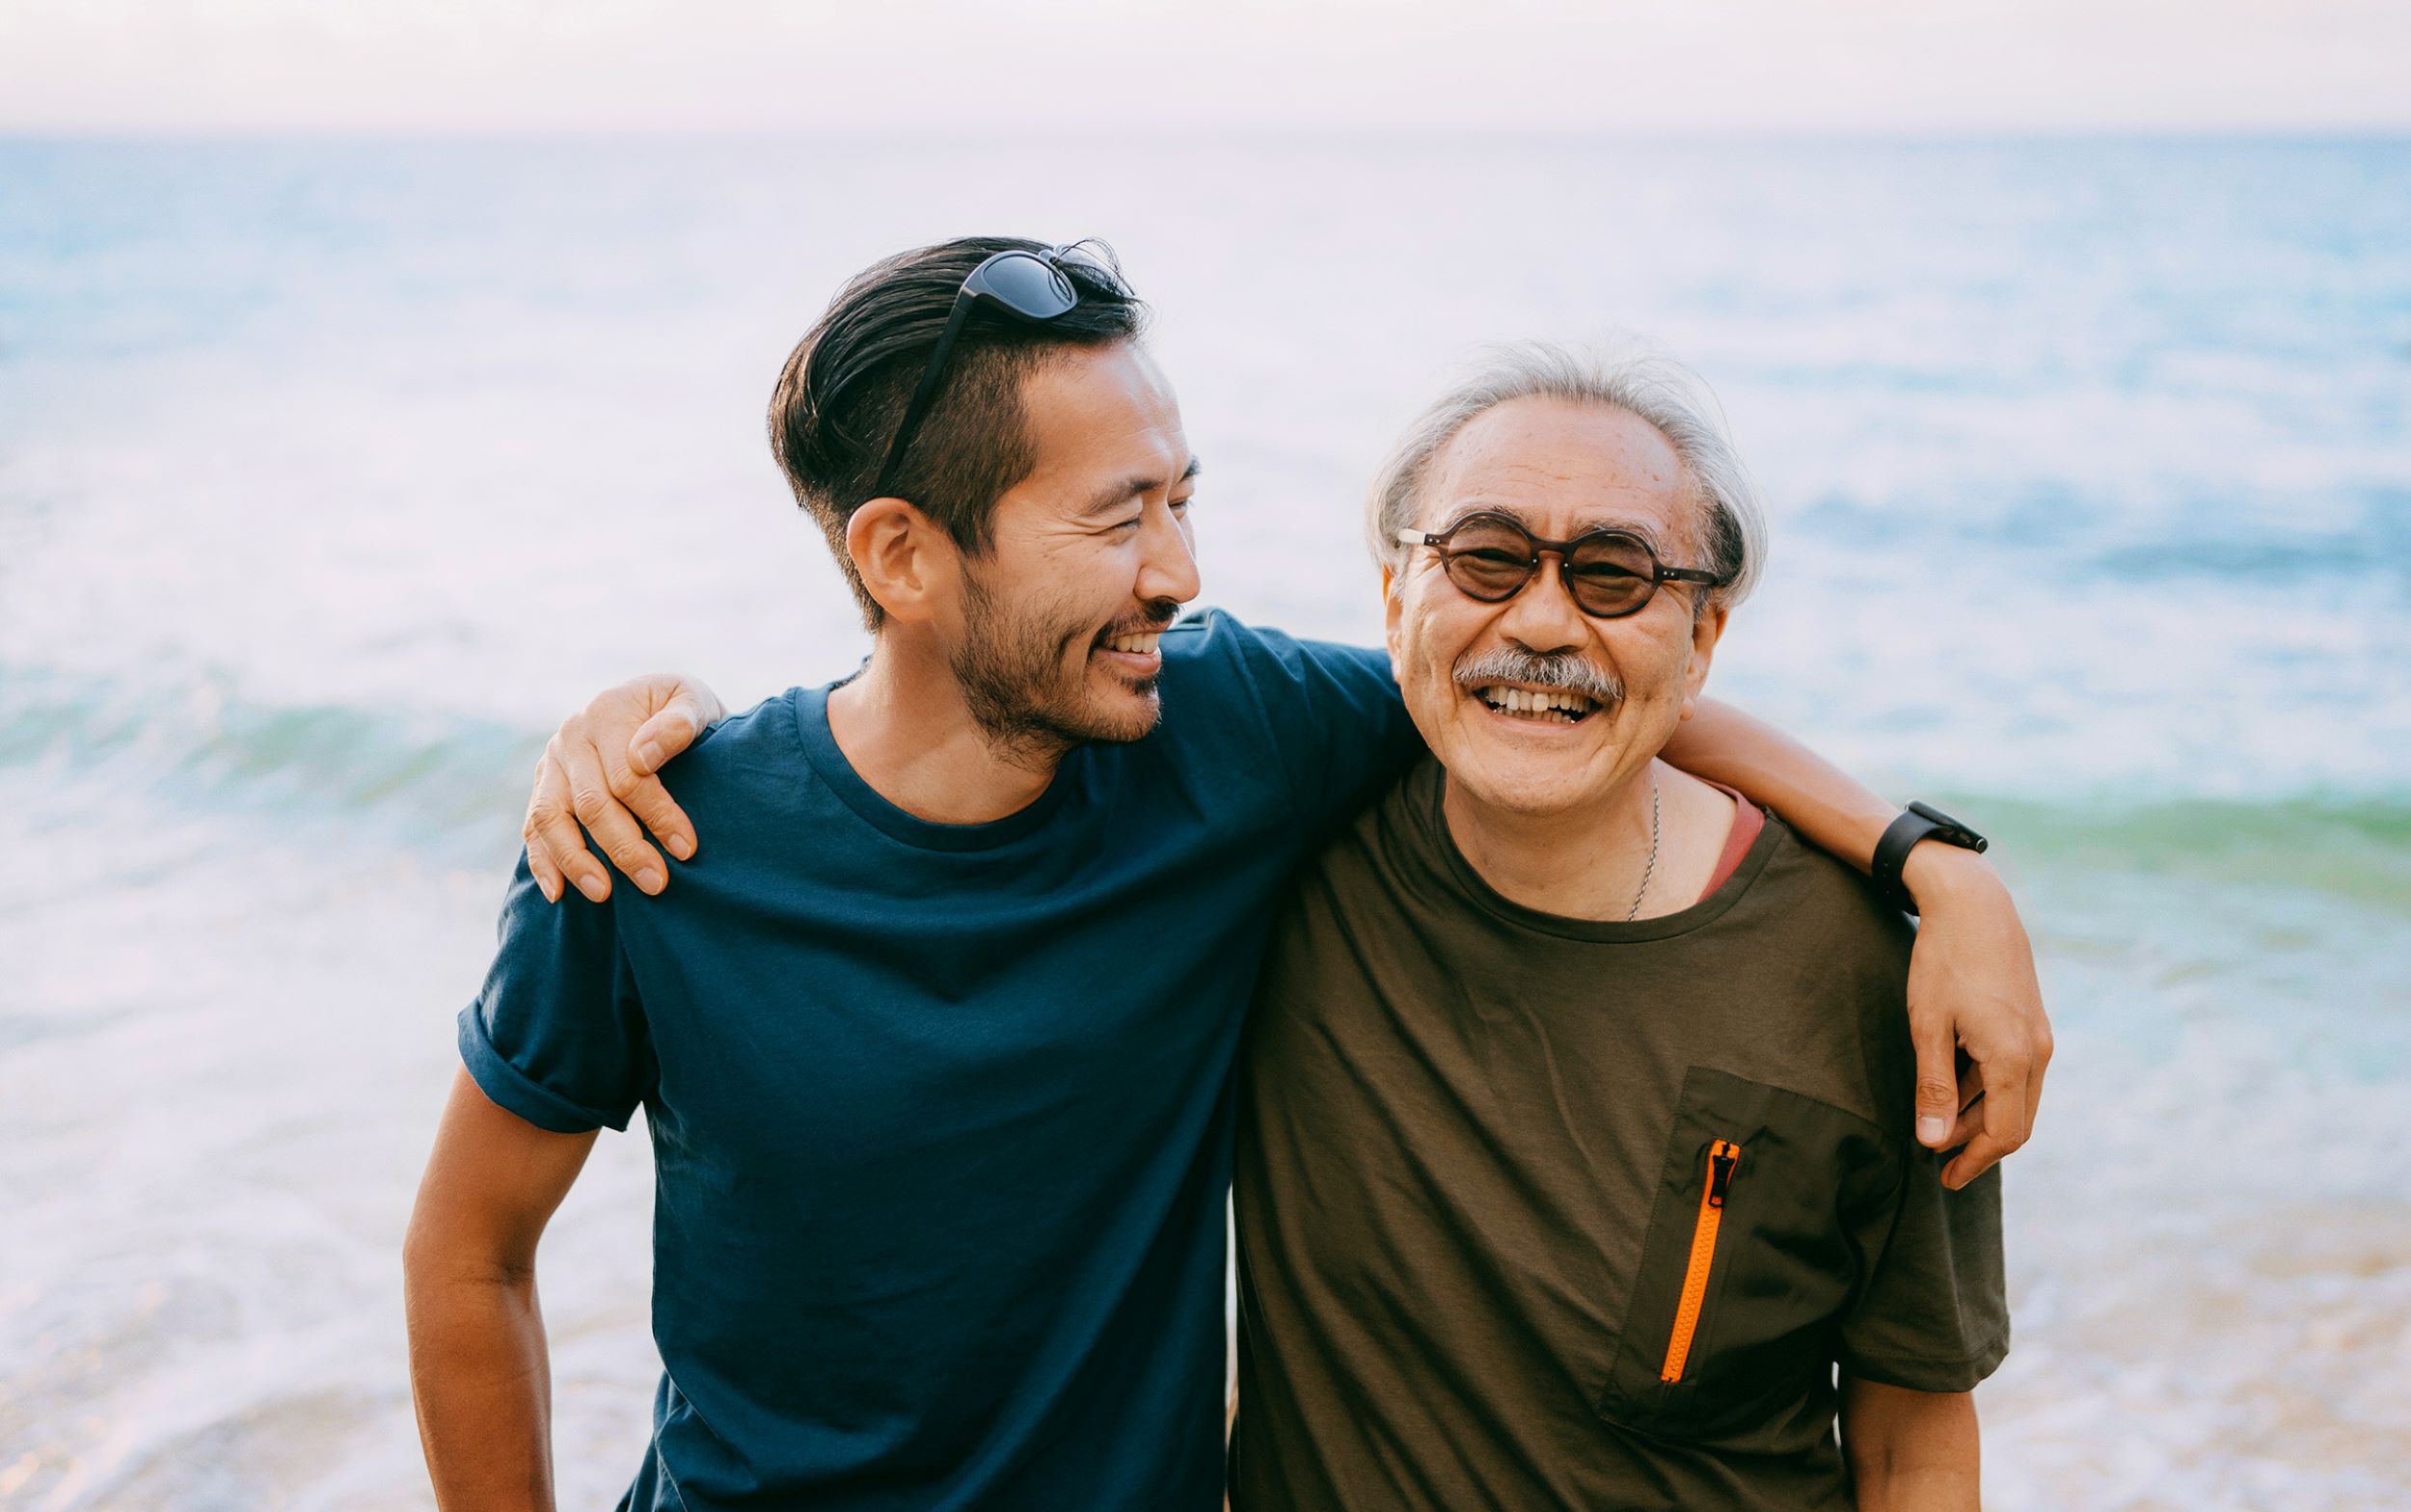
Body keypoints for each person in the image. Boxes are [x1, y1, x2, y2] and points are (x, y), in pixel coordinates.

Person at [406, 236, 2048, 1512]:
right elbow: (470, 1252)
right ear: (902, 553)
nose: (1182, 574)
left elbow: (1559, 683)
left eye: (1185, 504)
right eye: (1122, 519)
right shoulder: (651, 837)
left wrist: (1932, 865)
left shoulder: (1227, 730)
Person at [1230, 344, 2003, 1510]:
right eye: (1485, 558)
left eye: (1614, 573)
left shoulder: (1873, 979)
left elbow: (1912, 1433)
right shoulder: (1274, 849)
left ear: (1702, 639)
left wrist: (1941, 873)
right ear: (1396, 597)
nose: (1540, 619)